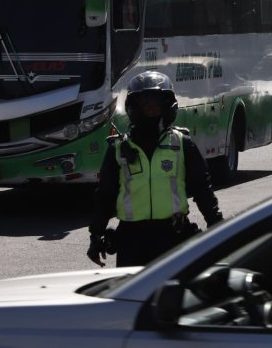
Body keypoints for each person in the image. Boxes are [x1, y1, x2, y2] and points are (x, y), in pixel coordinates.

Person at [88, 71, 223, 267]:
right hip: (132, 241)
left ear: (167, 107)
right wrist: (96, 235)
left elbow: (202, 188)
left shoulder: (182, 144)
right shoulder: (117, 150)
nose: (151, 109)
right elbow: (105, 196)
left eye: (156, 104)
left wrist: (216, 225)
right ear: (134, 108)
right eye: (145, 104)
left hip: (173, 237)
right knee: (131, 295)